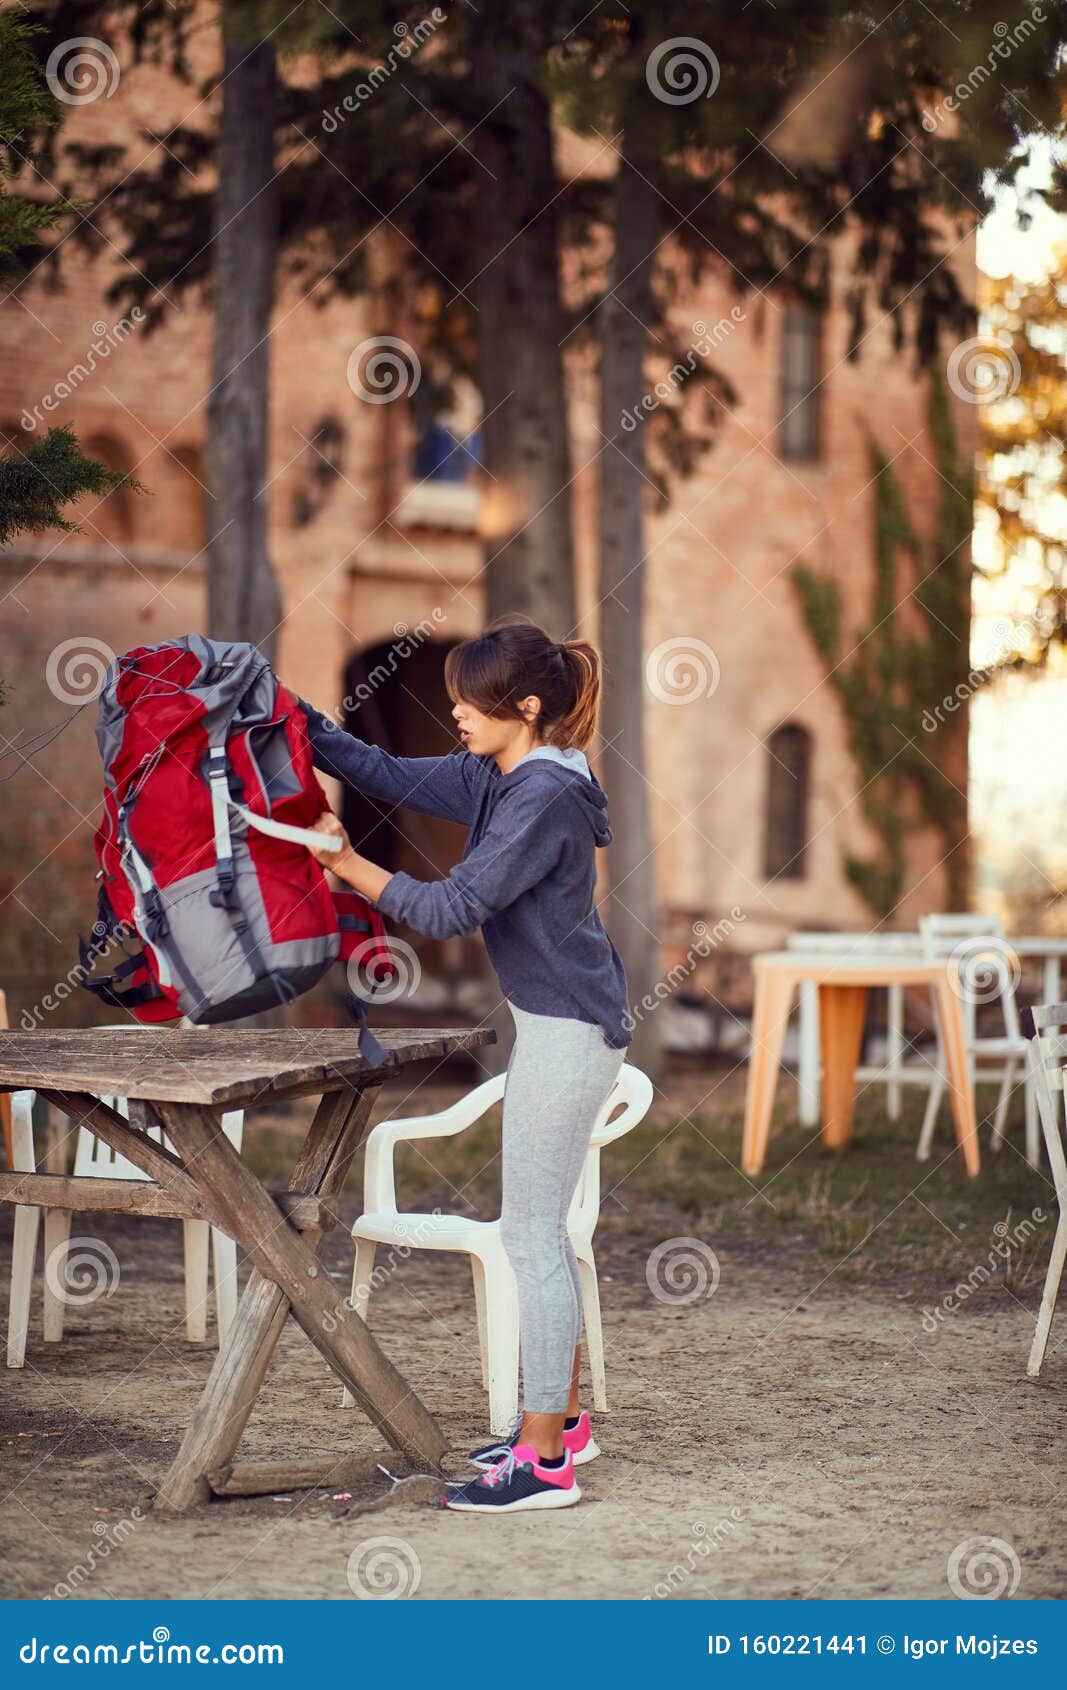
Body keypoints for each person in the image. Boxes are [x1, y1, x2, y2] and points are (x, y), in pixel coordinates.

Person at [298, 613, 632, 1514]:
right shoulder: (501, 771)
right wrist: (292, 719)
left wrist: (345, 862)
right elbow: (383, 770)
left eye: (471, 704)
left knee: (530, 1236)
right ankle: (559, 1426)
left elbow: (447, 910)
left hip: (569, 1033)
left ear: (524, 707)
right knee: (546, 1233)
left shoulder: (541, 799)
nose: (454, 715)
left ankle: (543, 1465)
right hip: (556, 1024)